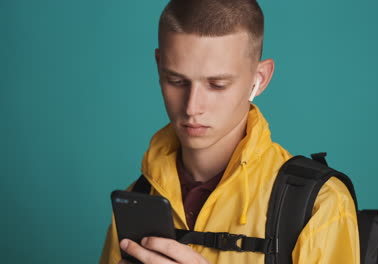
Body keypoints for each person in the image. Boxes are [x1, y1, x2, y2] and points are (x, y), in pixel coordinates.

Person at [100, 0, 359, 263]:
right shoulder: (137, 198)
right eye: (176, 81)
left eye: (217, 84)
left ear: (260, 78)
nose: (192, 107)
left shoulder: (320, 203)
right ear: (158, 65)